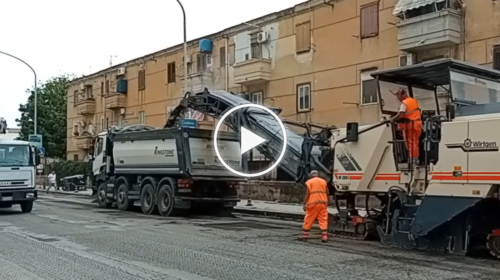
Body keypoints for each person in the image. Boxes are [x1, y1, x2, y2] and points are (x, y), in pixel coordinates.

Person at [390, 88, 422, 166]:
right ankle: (415, 159)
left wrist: (393, 119)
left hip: (409, 126)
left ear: (403, 95)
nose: (398, 98)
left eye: (398, 96)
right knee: (415, 142)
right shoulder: (413, 101)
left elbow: (401, 115)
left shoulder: (405, 103)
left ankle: (412, 160)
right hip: (417, 124)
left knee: (410, 143)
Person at [300, 170, 329, 243]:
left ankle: (304, 237)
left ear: (311, 175)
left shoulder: (310, 182)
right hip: (323, 203)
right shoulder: (324, 181)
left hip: (313, 204)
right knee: (323, 220)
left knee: (309, 220)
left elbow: (307, 194)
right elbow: (327, 192)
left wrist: (304, 203)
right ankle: (324, 238)